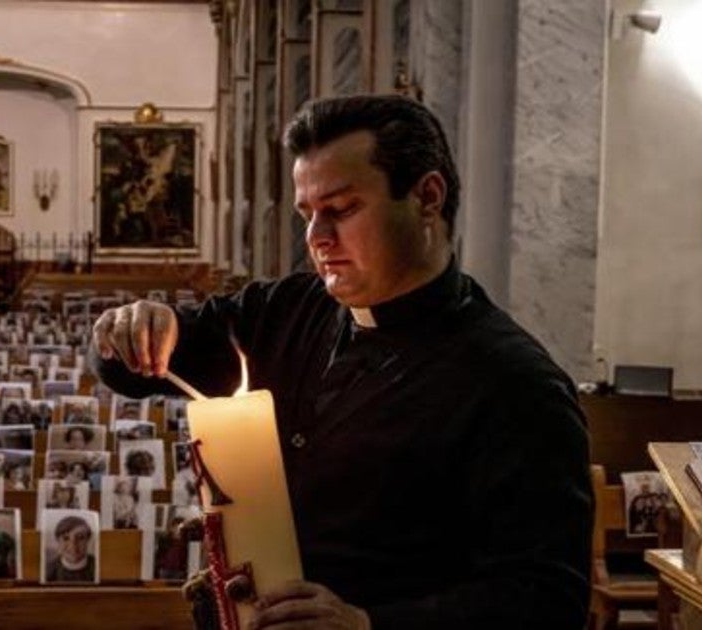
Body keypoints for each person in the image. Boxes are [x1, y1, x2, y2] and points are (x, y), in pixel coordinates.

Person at [90, 95, 591, 628]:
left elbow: (546, 599)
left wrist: (369, 624)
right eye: (307, 214)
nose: (317, 239)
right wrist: (131, 330)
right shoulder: (287, 309)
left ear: (427, 196)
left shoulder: (515, 385)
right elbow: (132, 368)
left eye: (342, 209)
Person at [45, 515, 96, 583]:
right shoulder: (48, 570)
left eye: (80, 538)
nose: (73, 545)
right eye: (66, 538)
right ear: (58, 541)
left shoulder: (98, 567)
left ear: (88, 540)